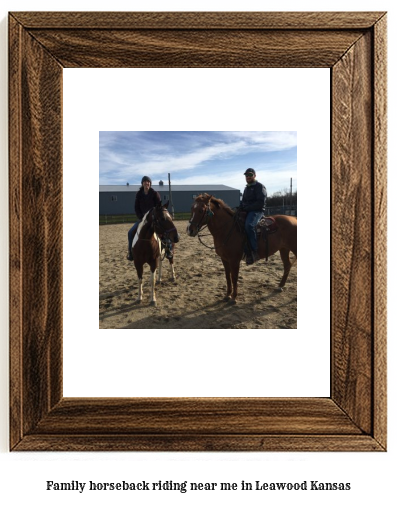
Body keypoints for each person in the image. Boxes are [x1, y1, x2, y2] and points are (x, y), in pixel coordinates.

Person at [127, 176, 161, 261]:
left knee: (163, 231)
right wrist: (141, 217)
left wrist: (155, 217)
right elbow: (136, 208)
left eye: (148, 182)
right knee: (130, 233)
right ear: (142, 184)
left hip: (153, 219)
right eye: (145, 182)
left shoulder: (155, 194)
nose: (147, 183)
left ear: (150, 184)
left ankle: (168, 249)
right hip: (142, 219)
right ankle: (130, 252)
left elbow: (159, 207)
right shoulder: (138, 195)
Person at [240, 168, 267, 265]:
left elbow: (260, 202)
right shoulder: (246, 188)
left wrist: (247, 208)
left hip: (257, 211)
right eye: (246, 175)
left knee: (249, 225)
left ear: (254, 176)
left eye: (250, 175)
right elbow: (243, 201)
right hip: (248, 210)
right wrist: (240, 207)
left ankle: (254, 251)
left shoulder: (260, 187)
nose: (248, 177)